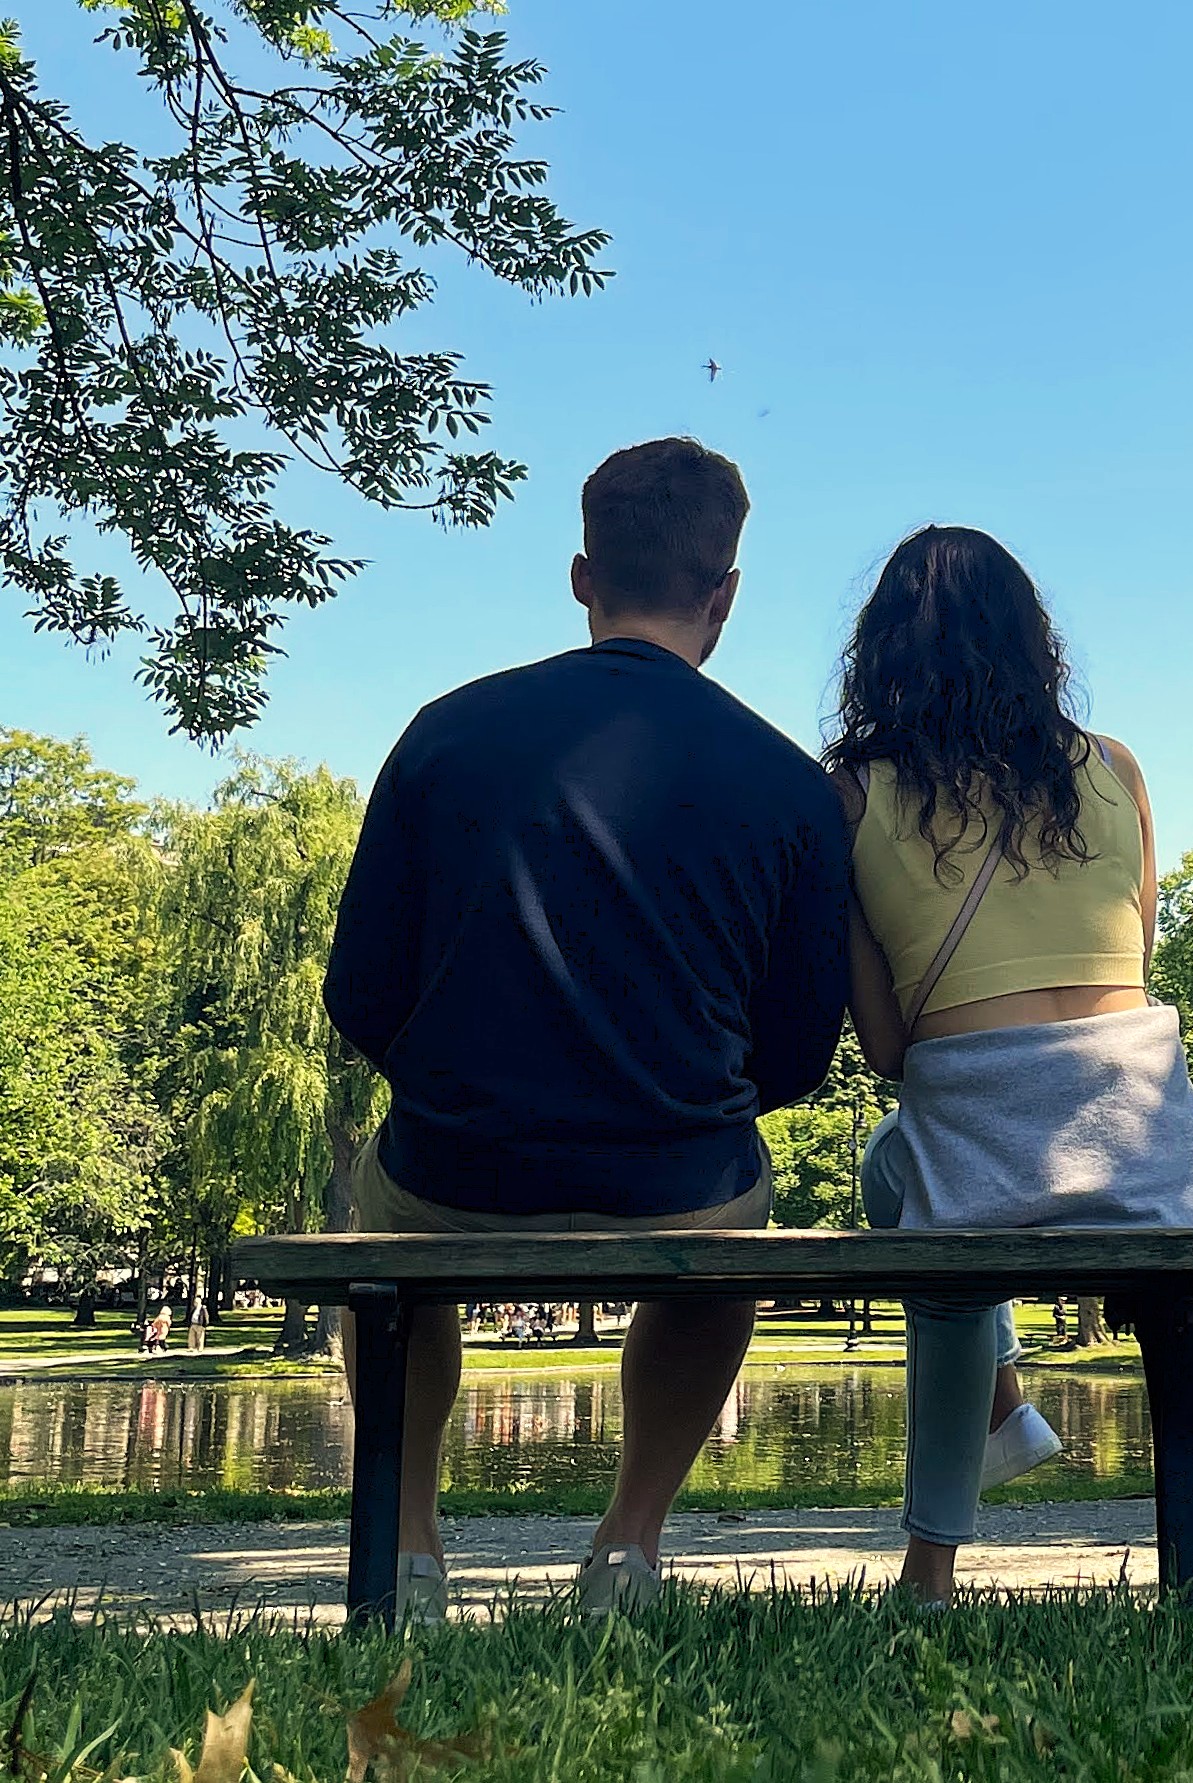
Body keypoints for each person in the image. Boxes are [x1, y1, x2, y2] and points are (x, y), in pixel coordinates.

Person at [324, 438, 848, 1624]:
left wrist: (468, 1082)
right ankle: (627, 1548)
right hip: (680, 1171)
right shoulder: (791, 782)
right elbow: (803, 1048)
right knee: (736, 1208)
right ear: (725, 593)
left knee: (385, 1210)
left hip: (457, 1166)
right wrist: (677, 1098)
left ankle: (407, 1545)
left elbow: (359, 989)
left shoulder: (443, 734)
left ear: (580, 575)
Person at [826, 524, 1193, 1605]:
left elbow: (886, 1049)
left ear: (880, 650)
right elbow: (1133, 967)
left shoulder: (851, 791)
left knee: (904, 1178)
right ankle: (1051, 1454)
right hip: (1148, 1154)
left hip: (975, 1161)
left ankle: (935, 1561)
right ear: (1034, 642)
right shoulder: (1115, 769)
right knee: (934, 1180)